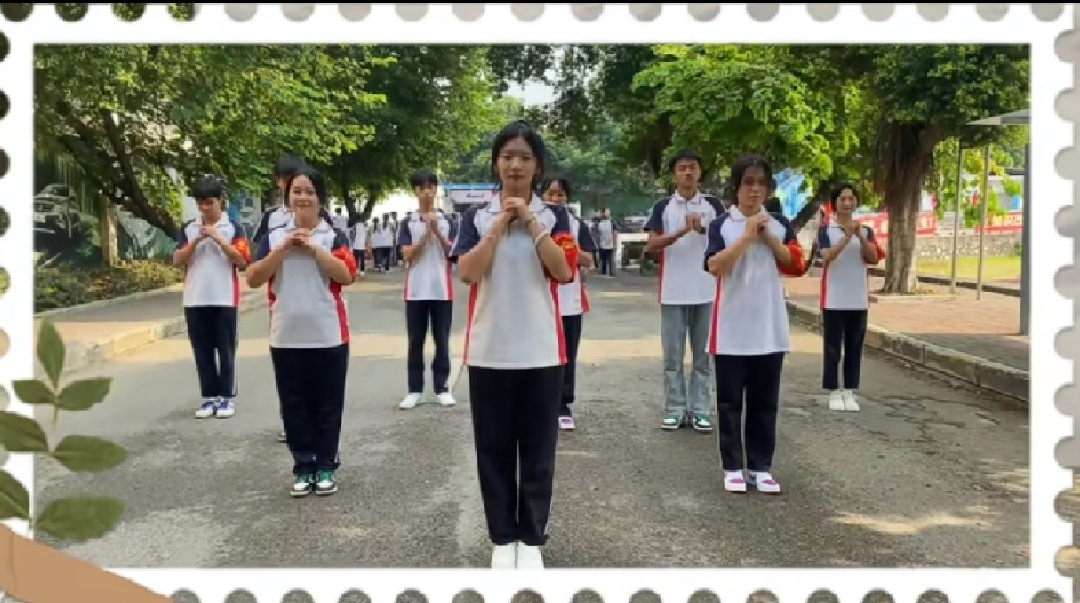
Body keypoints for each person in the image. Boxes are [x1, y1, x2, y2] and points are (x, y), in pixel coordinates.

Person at [450, 120, 576, 570]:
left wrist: (532, 223)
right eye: (507, 156)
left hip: (542, 350)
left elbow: (563, 272)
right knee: (494, 450)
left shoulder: (557, 216)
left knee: (538, 452)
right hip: (490, 350)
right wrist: (500, 225)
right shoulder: (475, 217)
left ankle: (532, 538)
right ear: (496, 164)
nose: (516, 164)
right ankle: (503, 538)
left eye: (525, 157)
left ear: (538, 165)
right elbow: (467, 273)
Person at [245, 166, 357, 497]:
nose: (303, 197)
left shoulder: (332, 235)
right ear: (288, 197)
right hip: (286, 335)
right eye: (297, 191)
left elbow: (347, 275)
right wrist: (283, 249)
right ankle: (303, 466)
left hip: (328, 334)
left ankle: (325, 465)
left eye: (310, 192)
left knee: (327, 403)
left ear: (321, 199)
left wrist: (313, 249)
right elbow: (252, 277)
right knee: (294, 405)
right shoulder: (274, 236)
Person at [704, 154, 805, 494]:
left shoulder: (779, 223)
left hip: (769, 327)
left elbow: (796, 264)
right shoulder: (721, 225)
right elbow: (715, 265)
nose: (755, 190)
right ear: (736, 188)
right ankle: (733, 465)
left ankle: (760, 466)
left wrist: (769, 236)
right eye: (748, 183)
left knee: (765, 403)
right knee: (730, 401)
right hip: (731, 328)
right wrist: (746, 236)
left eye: (761, 183)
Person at [643, 149, 724, 433]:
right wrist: (681, 231)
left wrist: (702, 230)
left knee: (703, 356)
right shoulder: (663, 207)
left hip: (707, 291)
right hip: (673, 291)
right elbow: (651, 245)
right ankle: (675, 409)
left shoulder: (713, 205)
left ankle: (700, 409)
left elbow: (725, 241)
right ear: (674, 174)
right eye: (682, 168)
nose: (687, 173)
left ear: (700, 173)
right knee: (673, 357)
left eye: (692, 167)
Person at [173, 175, 251, 419]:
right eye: (200, 203)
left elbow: (243, 261)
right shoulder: (188, 228)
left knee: (225, 350)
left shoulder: (234, 228)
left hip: (224, 298)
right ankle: (209, 397)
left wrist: (217, 238)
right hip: (195, 298)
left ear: (220, 201)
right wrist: (197, 239)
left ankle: (226, 397)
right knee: (202, 350)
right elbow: (177, 260)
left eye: (209, 202)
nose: (204, 208)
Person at [816, 183, 882, 412]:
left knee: (855, 346)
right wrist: (845, 238)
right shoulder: (826, 230)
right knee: (833, 347)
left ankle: (850, 391)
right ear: (835, 203)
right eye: (842, 199)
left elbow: (873, 258)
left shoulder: (866, 231)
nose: (846, 203)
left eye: (850, 199)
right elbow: (826, 257)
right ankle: (834, 390)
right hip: (834, 298)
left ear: (856, 203)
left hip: (858, 298)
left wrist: (860, 237)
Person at [397, 170, 458, 410]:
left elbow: (452, 254)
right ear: (415, 191)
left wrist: (437, 231)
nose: (426, 192)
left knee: (441, 340)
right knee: (416, 341)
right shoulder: (408, 221)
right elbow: (408, 256)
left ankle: (442, 388)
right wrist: (424, 234)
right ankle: (414, 389)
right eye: (421, 188)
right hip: (416, 290)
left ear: (436, 190)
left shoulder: (447, 221)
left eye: (430, 187)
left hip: (441, 290)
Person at [540, 177, 596, 431]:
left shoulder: (576, 224)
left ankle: (564, 405)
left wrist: (571, 250)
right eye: (550, 194)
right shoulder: (533, 220)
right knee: (540, 355)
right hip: (539, 301)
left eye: (560, 195)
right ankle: (540, 406)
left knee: (567, 356)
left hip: (569, 301)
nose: (554, 199)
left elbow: (588, 261)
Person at [595, 208, 618, 277]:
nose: (608, 213)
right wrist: (598, 243)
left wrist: (614, 243)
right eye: (607, 212)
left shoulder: (612, 223)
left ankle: (611, 272)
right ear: (603, 213)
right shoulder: (600, 223)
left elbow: (615, 233)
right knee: (603, 259)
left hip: (610, 244)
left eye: (609, 212)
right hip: (602, 244)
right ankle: (603, 272)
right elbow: (598, 234)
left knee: (610, 259)